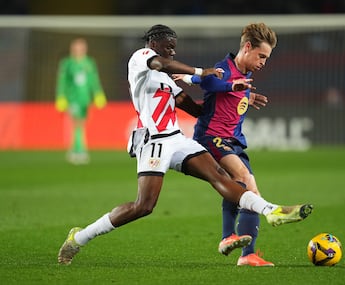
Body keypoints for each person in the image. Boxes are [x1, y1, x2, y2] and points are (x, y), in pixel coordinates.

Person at [57, 24, 313, 265]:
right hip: (153, 141)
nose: (172, 51)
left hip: (176, 139)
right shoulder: (141, 58)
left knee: (220, 176)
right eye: (168, 45)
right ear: (153, 42)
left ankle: (272, 210)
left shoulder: (167, 80)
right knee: (144, 206)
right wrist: (201, 72)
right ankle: (80, 237)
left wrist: (238, 95)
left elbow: (197, 109)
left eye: (174, 46)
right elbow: (162, 62)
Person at [173, 23, 293, 266]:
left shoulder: (245, 74)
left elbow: (216, 88)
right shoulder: (224, 68)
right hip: (212, 138)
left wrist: (246, 96)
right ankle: (241, 247)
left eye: (266, 58)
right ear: (247, 47)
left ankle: (239, 246)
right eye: (261, 56)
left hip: (233, 141)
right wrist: (233, 87)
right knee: (246, 183)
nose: (263, 62)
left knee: (243, 189)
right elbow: (209, 83)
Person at [55, 37, 107, 165]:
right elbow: (62, 81)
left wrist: (98, 93)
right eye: (77, 47)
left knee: (82, 124)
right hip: (73, 98)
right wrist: (61, 96)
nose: (79, 50)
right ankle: (80, 151)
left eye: (82, 47)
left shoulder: (89, 62)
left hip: (85, 99)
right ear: (72, 49)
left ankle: (73, 150)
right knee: (77, 124)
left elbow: (94, 80)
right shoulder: (67, 63)